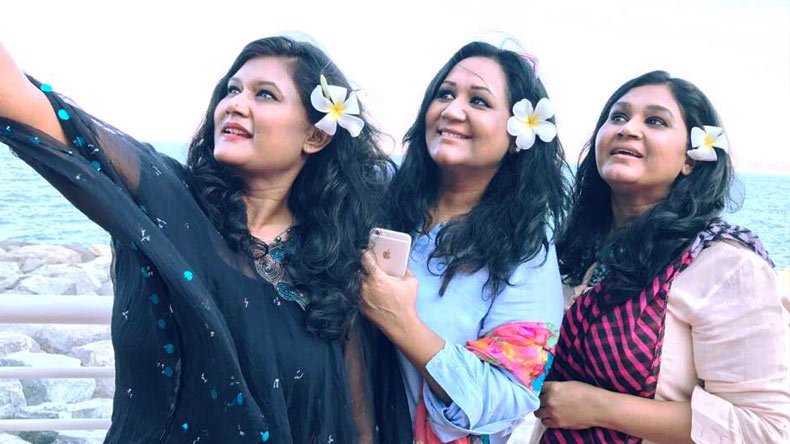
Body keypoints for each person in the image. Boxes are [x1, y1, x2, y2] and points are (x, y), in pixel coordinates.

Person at [0, 36, 393, 443]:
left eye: (265, 94)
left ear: (315, 136)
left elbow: (357, 425)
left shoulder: (332, 265)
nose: (235, 104)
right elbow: (30, 108)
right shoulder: (166, 200)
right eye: (232, 90)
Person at [534, 71, 790, 443]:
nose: (628, 128)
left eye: (655, 121)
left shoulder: (725, 265)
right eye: (618, 117)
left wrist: (599, 407)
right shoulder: (576, 252)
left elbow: (766, 428)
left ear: (691, 160)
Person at [360, 42, 570, 443]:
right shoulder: (376, 193)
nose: (452, 110)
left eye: (478, 101)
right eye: (444, 94)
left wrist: (403, 324)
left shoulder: (525, 249)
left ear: (519, 135)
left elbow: (509, 395)